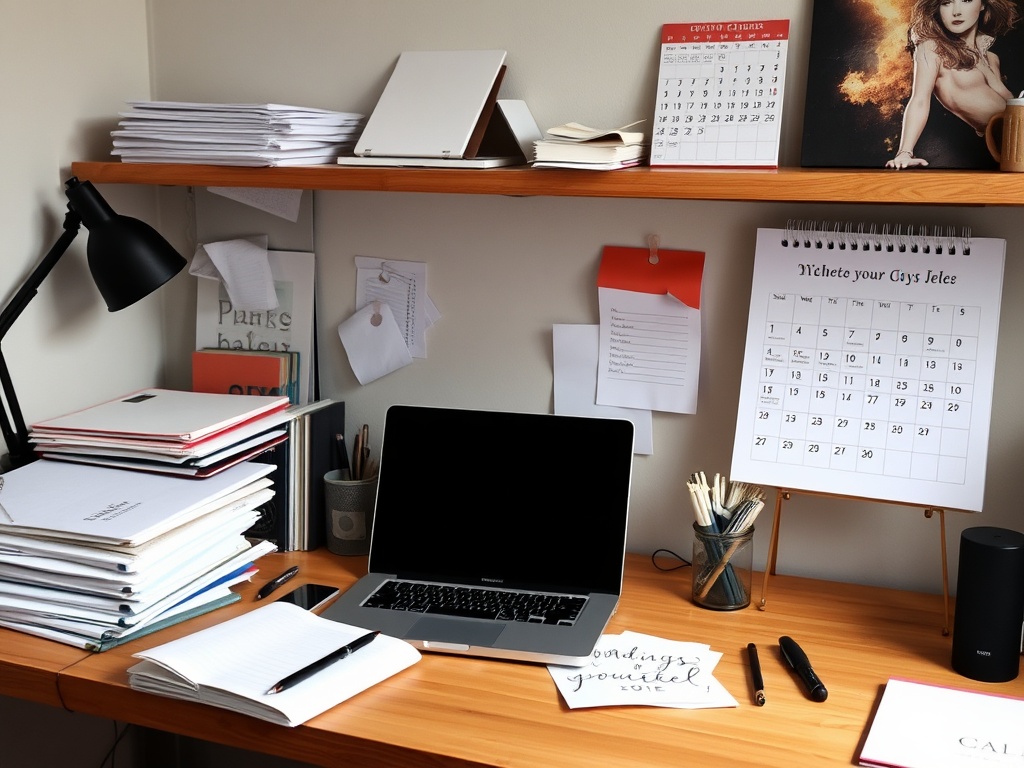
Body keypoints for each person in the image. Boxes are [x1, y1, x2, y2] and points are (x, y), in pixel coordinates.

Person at [886, 0, 1019, 168]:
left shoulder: (991, 58)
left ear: (983, 4)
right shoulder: (933, 48)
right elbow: (919, 100)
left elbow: (1009, 106)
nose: (956, 11)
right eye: (946, 3)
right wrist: (904, 152)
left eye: (966, 1)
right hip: (1009, 147)